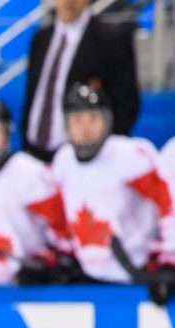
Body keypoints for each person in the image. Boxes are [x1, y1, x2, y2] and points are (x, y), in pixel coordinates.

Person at [50, 84, 175, 284]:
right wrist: (65, 256)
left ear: (107, 121)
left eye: (93, 118)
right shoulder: (62, 161)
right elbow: (59, 218)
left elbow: (169, 205)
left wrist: (169, 260)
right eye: (77, 119)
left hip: (139, 276)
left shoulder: (132, 157)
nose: (85, 128)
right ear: (66, 124)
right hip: (89, 278)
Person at [0, 98, 74, 285]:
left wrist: (45, 265)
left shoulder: (31, 173)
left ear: (7, 135)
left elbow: (62, 232)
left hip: (28, 289)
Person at [23, 0, 139, 161]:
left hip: (83, 160)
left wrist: (98, 156)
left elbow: (127, 105)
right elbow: (32, 97)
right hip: (34, 155)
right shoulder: (40, 39)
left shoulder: (112, 39)